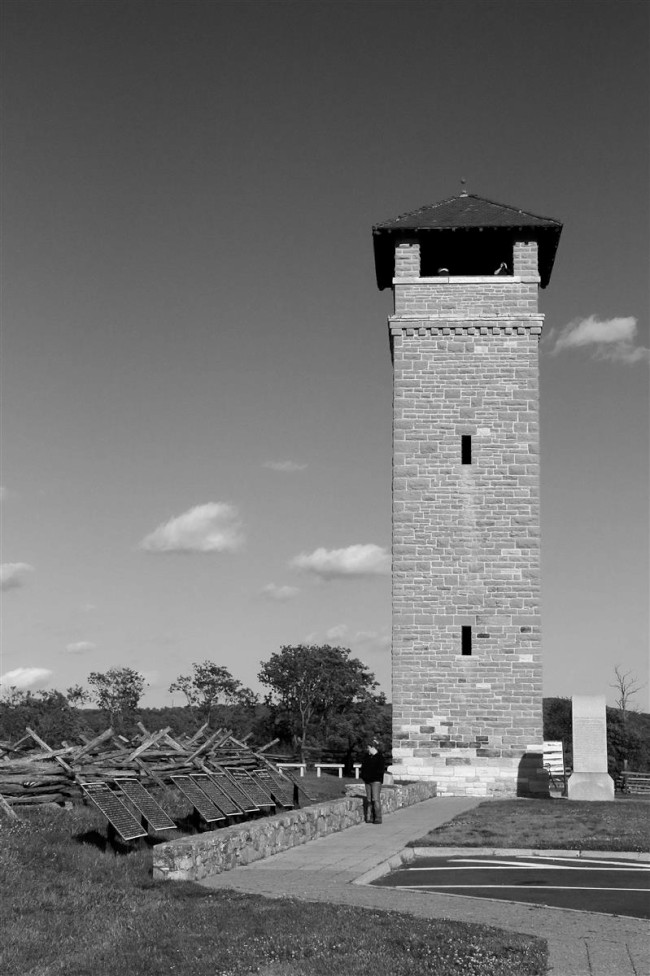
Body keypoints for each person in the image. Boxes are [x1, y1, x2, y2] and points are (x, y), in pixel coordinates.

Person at [360, 739, 384, 824]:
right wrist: (364, 776)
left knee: (375, 799)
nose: (367, 750)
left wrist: (374, 776)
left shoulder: (380, 757)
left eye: (368, 748)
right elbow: (363, 768)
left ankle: (378, 817)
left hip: (376, 781)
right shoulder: (366, 757)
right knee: (369, 799)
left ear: (372, 748)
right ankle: (369, 817)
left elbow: (380, 770)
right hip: (367, 781)